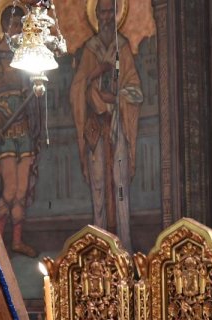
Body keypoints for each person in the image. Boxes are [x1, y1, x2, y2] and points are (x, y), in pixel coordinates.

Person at [70, 0, 144, 248]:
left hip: (117, 125)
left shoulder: (122, 47)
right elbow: (77, 88)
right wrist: (96, 73)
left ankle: (125, 249)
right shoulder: (89, 50)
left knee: (120, 184)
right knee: (99, 186)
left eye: (109, 12)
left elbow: (135, 91)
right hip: (95, 128)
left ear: (115, 14)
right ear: (96, 16)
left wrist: (114, 98)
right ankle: (101, 248)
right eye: (101, 12)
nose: (105, 17)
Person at [0, 3, 42, 257]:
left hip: (23, 130)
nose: (19, 31)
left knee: (21, 192)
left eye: (23, 27)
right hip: (4, 131)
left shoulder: (27, 60)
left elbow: (33, 93)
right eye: (15, 25)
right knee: (10, 190)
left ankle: (16, 241)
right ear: (4, 27)